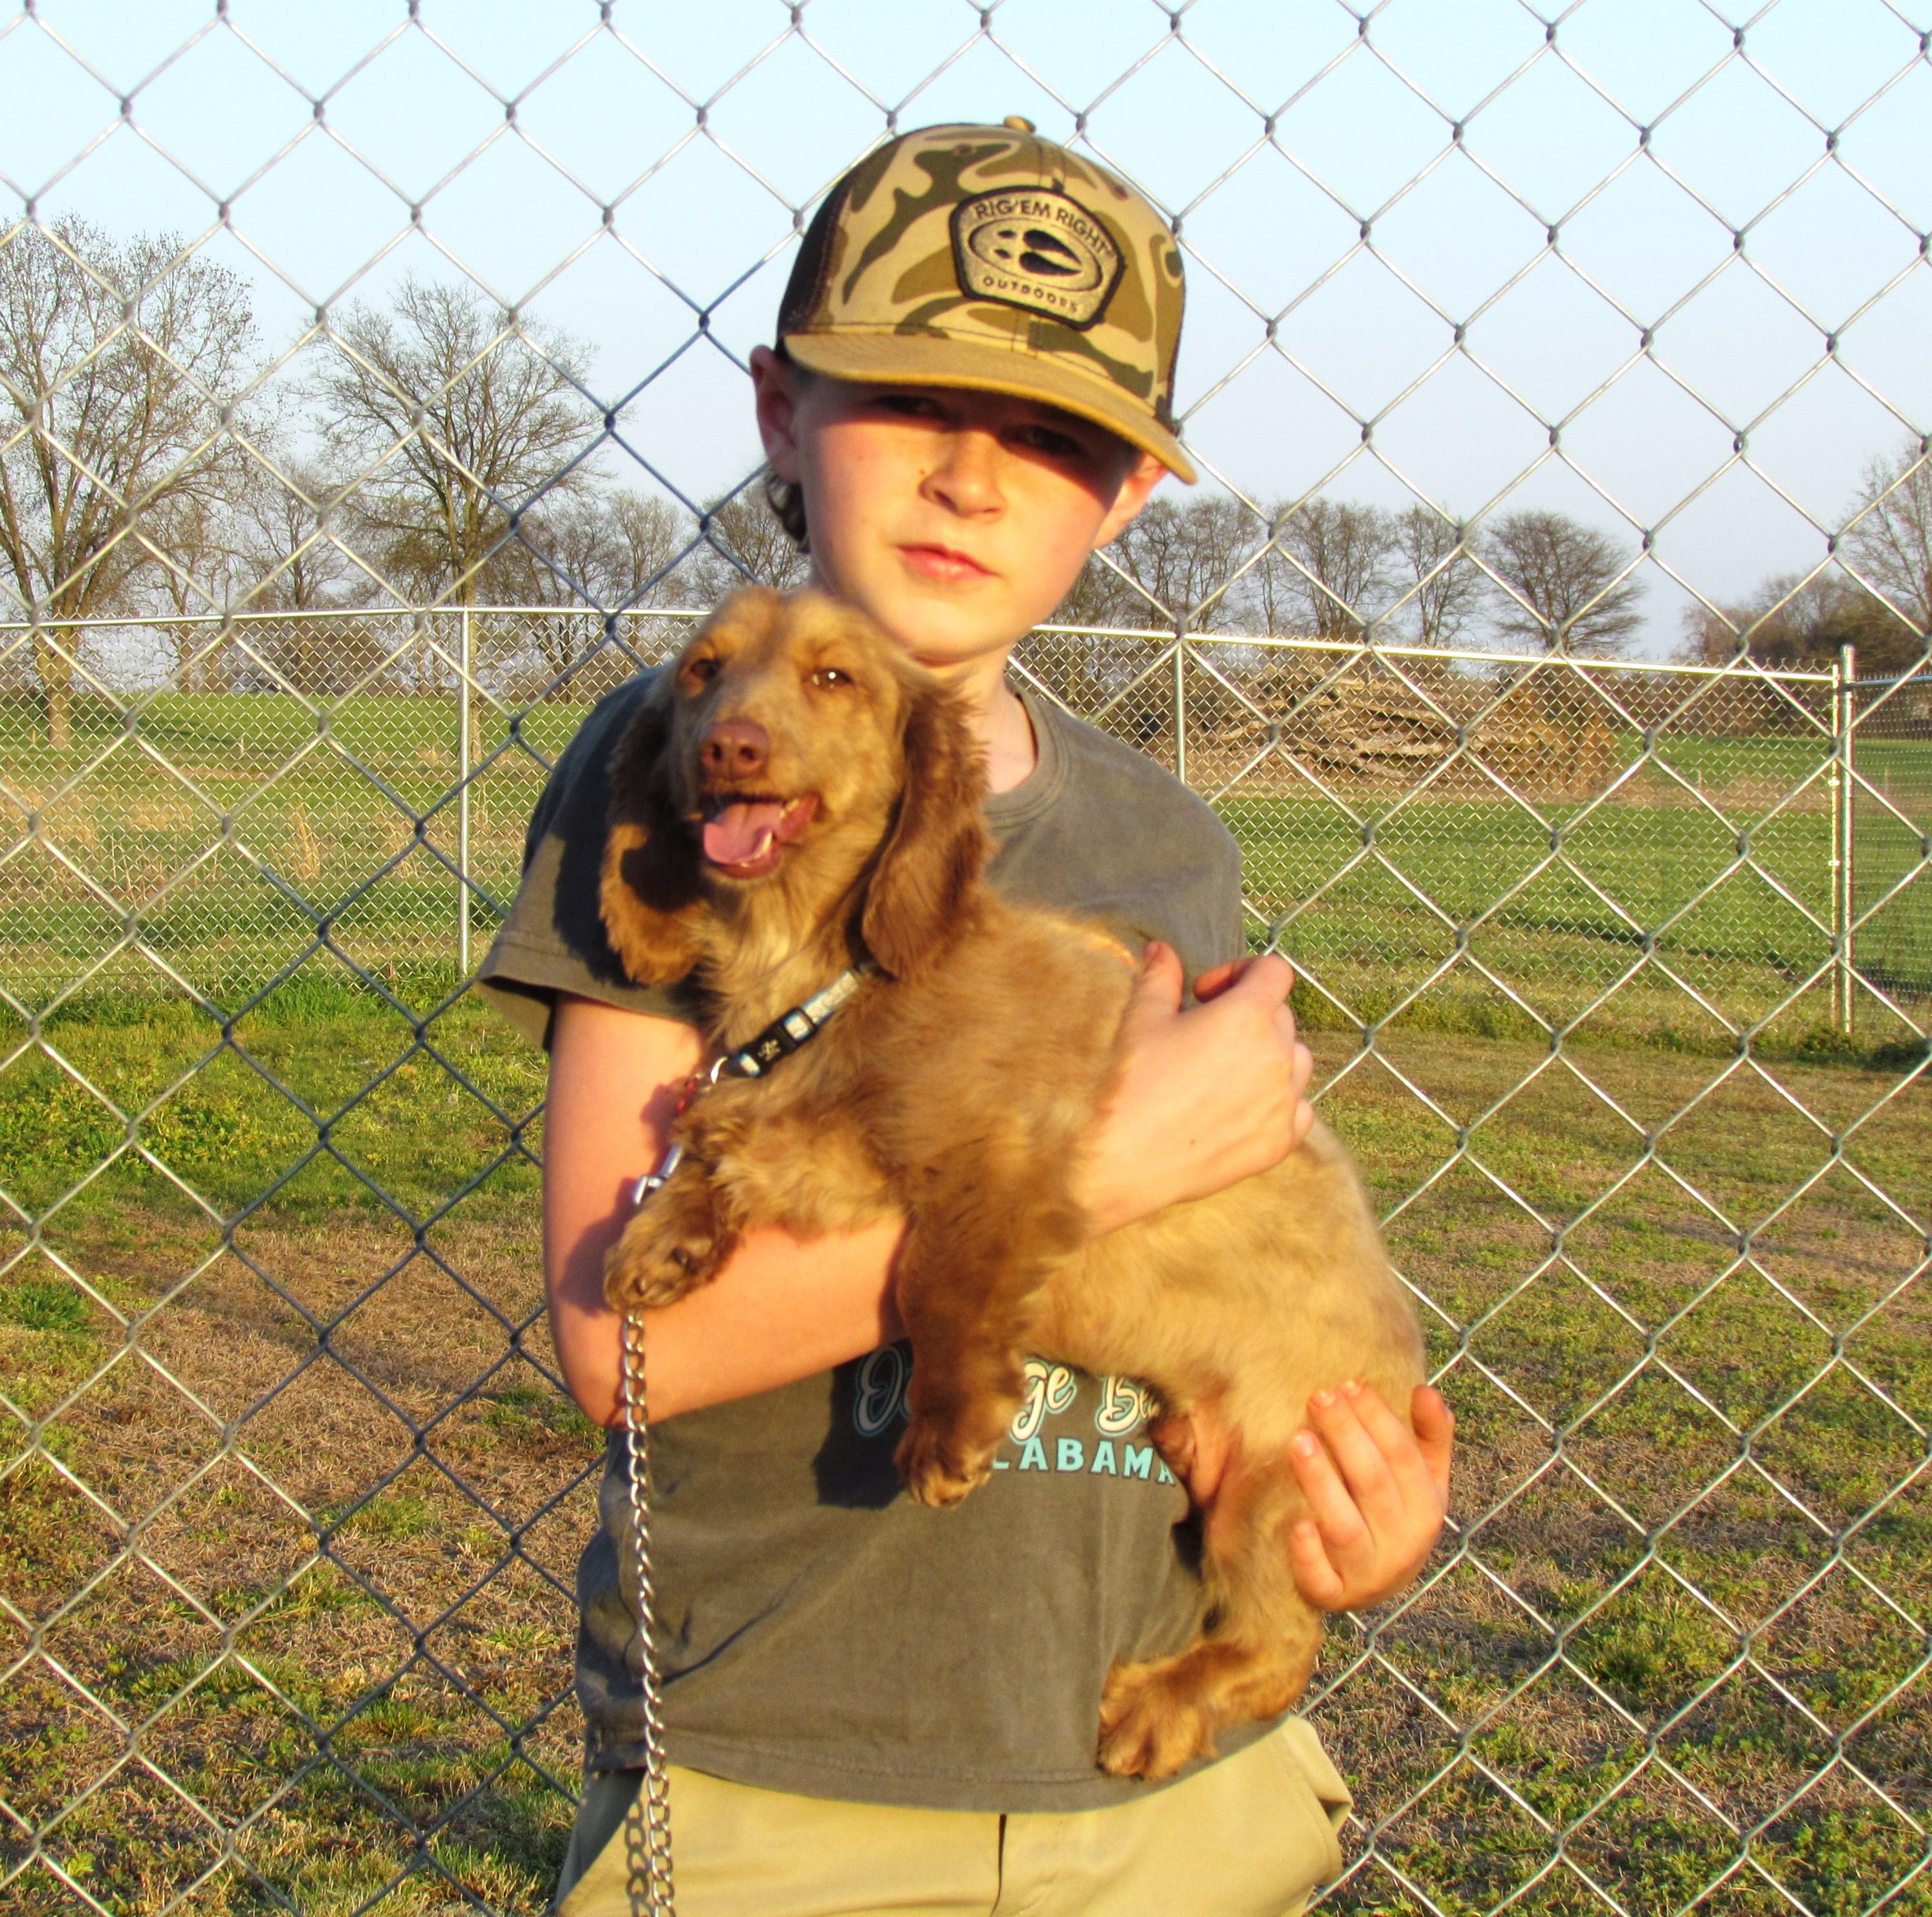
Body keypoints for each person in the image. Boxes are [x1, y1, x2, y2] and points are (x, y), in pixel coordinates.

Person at [481, 118, 1455, 1917]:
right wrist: (1099, 1160)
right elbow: (624, 1341)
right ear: (781, 412)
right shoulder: (681, 775)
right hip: (793, 1777)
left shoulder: (1164, 844)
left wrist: (1350, 1524)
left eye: (1055, 436)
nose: (972, 479)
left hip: (1157, 1803)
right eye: (913, 404)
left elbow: (1240, 1292)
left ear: (1133, 495)